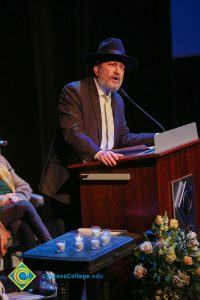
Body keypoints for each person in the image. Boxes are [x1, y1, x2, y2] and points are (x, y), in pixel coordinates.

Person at [39, 37, 156, 235]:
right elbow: (73, 132)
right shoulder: (74, 91)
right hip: (69, 185)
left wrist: (156, 137)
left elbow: (123, 139)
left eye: (121, 67)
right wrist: (98, 152)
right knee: (71, 249)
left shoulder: (118, 100)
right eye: (112, 65)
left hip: (101, 182)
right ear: (96, 69)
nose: (118, 71)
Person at [0, 154, 56, 296]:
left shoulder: (1, 160)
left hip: (13, 209)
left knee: (20, 222)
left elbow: (23, 185)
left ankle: (31, 279)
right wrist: (3, 199)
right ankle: (49, 246)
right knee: (24, 206)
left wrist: (18, 196)